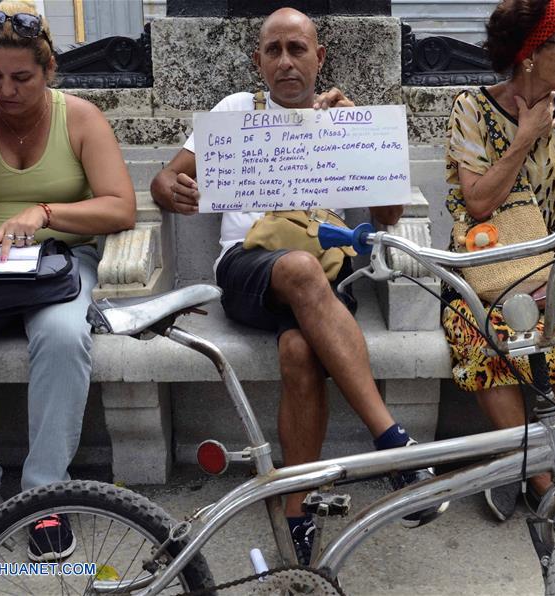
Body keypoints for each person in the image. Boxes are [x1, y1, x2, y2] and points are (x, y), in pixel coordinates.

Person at [150, 7, 448, 565]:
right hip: (246, 266)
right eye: (273, 50)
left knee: (298, 350)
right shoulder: (235, 112)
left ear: (319, 57)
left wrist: (364, 139)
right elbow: (165, 178)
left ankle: (297, 514)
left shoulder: (340, 115)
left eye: (297, 49)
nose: (285, 61)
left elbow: (387, 213)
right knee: (298, 270)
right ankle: (391, 446)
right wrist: (173, 188)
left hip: (324, 266)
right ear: (258, 60)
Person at [0, 1, 136, 559]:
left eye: (22, 78)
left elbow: (121, 208)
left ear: (49, 70)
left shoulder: (79, 117)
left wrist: (45, 212)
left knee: (62, 336)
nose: (7, 91)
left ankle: (44, 492)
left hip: (55, 262)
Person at [442, 0, 555, 522]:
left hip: (552, 271)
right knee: (486, 343)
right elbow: (478, 202)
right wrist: (524, 137)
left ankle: (514, 459)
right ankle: (545, 478)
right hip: (483, 275)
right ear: (529, 54)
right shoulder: (470, 109)